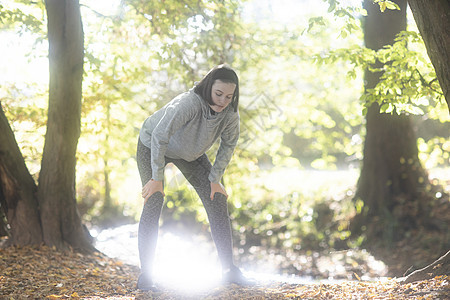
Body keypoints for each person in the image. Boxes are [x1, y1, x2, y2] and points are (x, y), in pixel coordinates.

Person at [136, 64, 248, 291]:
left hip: (190, 155)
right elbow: (159, 134)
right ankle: (146, 275)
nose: (223, 100)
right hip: (153, 145)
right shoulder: (188, 103)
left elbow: (229, 145)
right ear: (208, 87)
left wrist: (215, 179)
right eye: (218, 94)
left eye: (229, 96)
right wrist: (156, 177)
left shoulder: (229, 114)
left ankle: (229, 270)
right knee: (154, 199)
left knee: (217, 198)